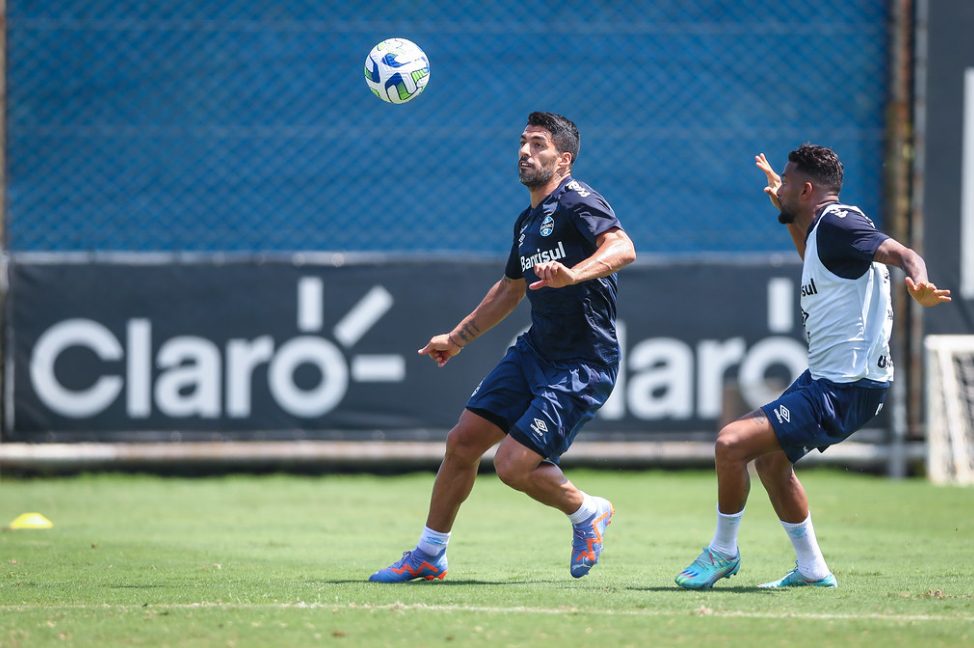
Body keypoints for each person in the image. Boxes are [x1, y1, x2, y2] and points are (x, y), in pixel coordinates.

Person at [369, 112, 636, 583]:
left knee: (512, 466)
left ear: (564, 159)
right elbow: (511, 290)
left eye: (538, 144)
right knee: (462, 443)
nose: (525, 152)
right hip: (535, 351)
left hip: (583, 362)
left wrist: (576, 272)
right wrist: (456, 338)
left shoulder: (578, 201)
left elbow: (622, 247)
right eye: (523, 143)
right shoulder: (528, 221)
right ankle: (430, 554)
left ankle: (587, 511)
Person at [675, 144, 951, 590]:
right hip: (834, 380)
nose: (778, 186)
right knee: (770, 462)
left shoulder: (841, 222)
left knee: (730, 443)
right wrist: (787, 211)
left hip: (845, 385)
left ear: (806, 189)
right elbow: (819, 264)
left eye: (785, 181)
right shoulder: (825, 230)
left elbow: (902, 253)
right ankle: (813, 570)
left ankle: (723, 551)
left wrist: (918, 282)